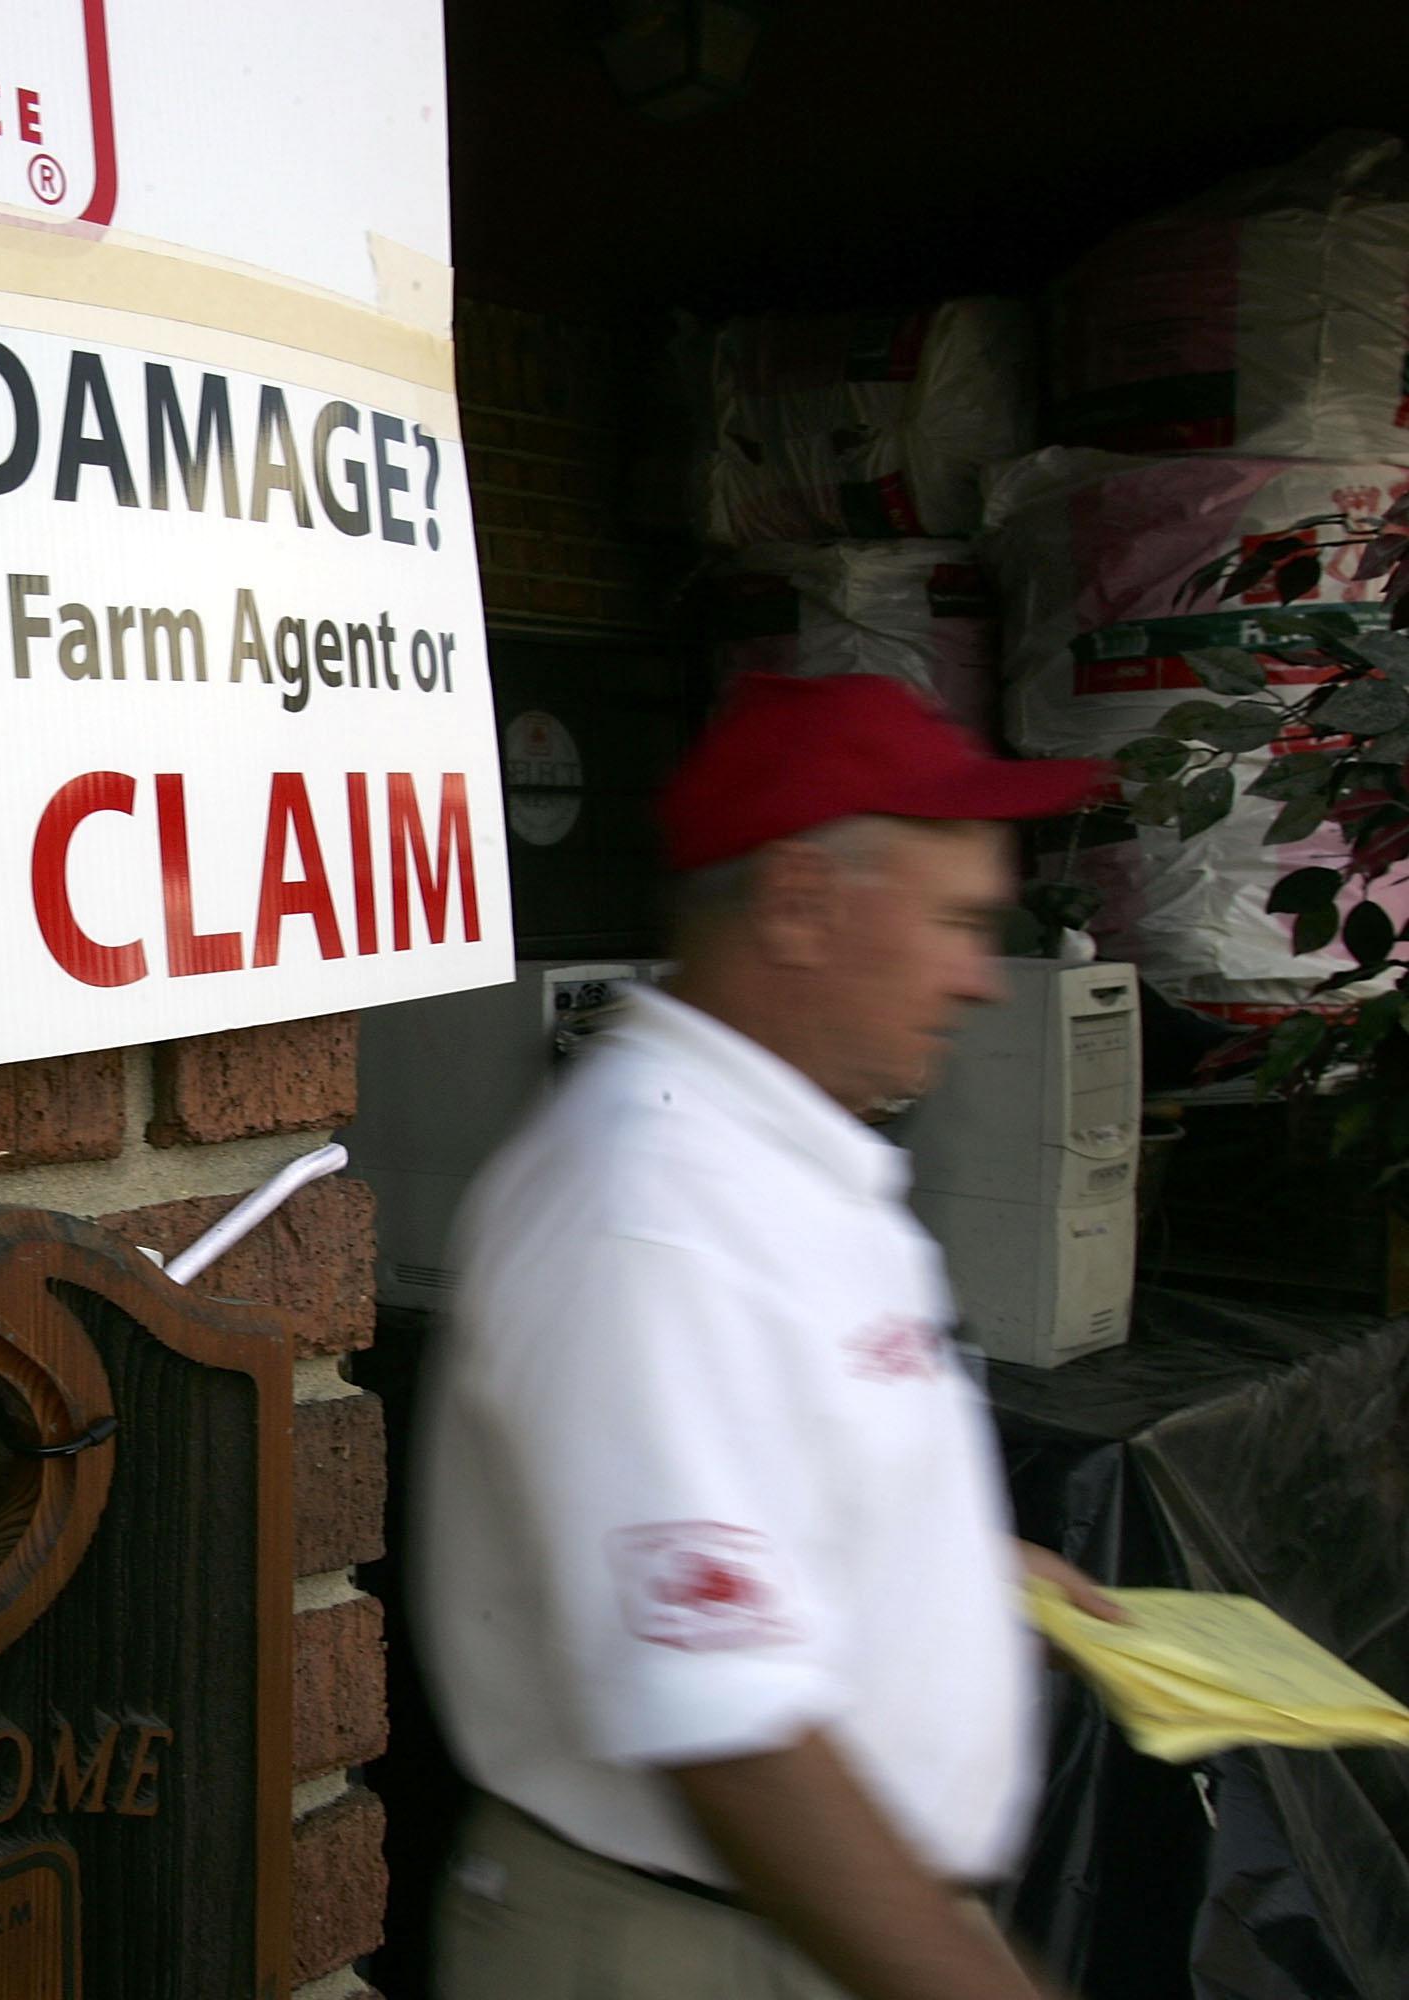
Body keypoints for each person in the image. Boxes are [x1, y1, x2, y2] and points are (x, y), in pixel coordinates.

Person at [414, 672, 1124, 2000]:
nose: (983, 980)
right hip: (704, 1948)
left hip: (797, 1933)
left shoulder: (771, 1157)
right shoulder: (656, 1209)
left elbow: (747, 1476)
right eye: (957, 925)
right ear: (800, 903)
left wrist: (944, 1564)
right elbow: (728, 1728)